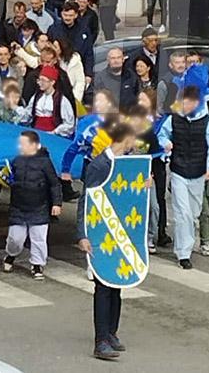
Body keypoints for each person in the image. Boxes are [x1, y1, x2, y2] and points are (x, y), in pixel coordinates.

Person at [76, 121, 140, 361]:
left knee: (117, 284)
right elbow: (86, 199)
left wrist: (143, 185)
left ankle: (111, 331)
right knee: (103, 286)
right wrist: (82, 234)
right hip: (100, 234)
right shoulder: (99, 164)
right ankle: (100, 339)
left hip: (120, 233)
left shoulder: (125, 162)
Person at [157, 86, 209, 268]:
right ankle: (183, 253)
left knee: (193, 213)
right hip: (178, 170)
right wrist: (166, 143)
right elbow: (161, 136)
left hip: (198, 172)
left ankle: (187, 243)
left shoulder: (208, 123)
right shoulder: (173, 119)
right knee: (182, 213)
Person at [3, 130, 63, 279]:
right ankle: (11, 254)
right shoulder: (17, 160)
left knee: (39, 238)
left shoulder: (45, 162)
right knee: (15, 238)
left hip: (39, 207)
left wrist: (57, 203)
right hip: (18, 206)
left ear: (34, 145)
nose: (20, 146)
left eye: (23, 144)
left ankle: (37, 265)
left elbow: (54, 184)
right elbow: (7, 177)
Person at [23, 65, 75, 137]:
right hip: (36, 132)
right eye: (39, 80)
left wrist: (55, 132)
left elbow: (69, 124)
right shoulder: (36, 97)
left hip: (52, 135)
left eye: (43, 80)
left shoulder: (61, 100)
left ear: (52, 82)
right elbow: (28, 114)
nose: (39, 83)